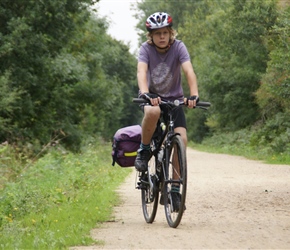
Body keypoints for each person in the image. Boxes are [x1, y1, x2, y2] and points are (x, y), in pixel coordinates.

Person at [135, 12, 199, 211]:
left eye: (165, 32)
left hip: (175, 100)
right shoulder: (146, 49)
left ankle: (173, 192)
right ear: (151, 36)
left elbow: (188, 70)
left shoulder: (179, 47)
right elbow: (141, 72)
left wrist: (194, 95)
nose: (161, 36)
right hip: (152, 97)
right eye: (157, 33)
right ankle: (144, 151)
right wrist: (145, 93)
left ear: (170, 33)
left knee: (182, 138)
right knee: (153, 113)